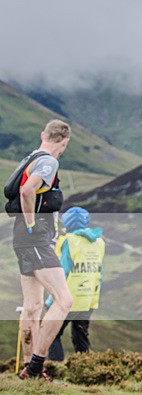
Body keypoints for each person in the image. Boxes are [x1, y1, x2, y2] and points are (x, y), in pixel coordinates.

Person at [10, 120, 73, 380]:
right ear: (64, 142)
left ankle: (29, 370)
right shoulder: (48, 162)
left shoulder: (30, 157)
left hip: (23, 238)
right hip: (35, 238)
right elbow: (27, 191)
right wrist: (33, 225)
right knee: (64, 300)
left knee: (33, 306)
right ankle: (36, 365)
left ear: (42, 135)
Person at [46, 206, 105, 362]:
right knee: (80, 334)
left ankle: (55, 368)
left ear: (67, 223)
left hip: (68, 299)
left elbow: (63, 273)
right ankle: (85, 369)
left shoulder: (68, 242)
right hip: (88, 298)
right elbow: (99, 273)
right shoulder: (98, 242)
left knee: (52, 334)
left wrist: (51, 301)